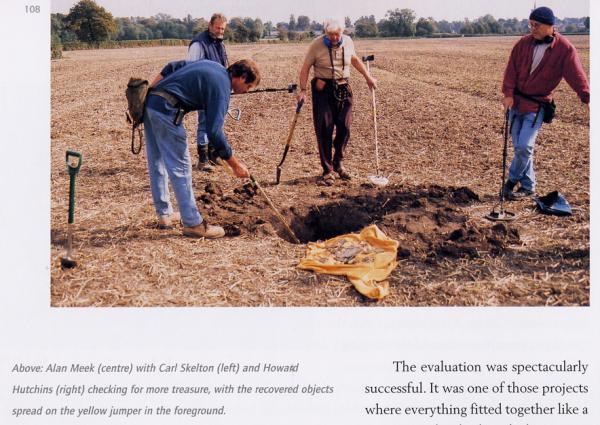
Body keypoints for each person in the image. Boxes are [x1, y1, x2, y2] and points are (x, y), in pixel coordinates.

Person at [144, 59, 260, 238]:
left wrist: (150, 93)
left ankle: (164, 214)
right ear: (242, 77)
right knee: (181, 167)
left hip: (151, 104)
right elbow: (214, 132)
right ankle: (193, 224)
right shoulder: (222, 87)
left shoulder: (213, 67)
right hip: (168, 111)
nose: (246, 91)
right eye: (249, 86)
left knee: (157, 162)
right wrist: (235, 165)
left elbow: (171, 67)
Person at [501, 6, 589, 200]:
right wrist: (507, 93)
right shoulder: (523, 43)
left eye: (537, 25)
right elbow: (511, 70)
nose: (532, 28)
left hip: (537, 106)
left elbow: (577, 75)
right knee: (520, 149)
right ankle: (529, 186)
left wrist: (587, 97)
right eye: (530, 24)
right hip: (516, 103)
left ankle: (510, 182)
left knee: (524, 147)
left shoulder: (565, 49)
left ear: (551, 26)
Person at [297, 19, 377, 185]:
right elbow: (305, 68)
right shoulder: (316, 45)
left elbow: (354, 59)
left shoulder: (348, 42)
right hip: (323, 90)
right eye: (330, 34)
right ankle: (327, 170)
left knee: (345, 127)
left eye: (336, 34)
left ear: (342, 33)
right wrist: (303, 90)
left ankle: (338, 162)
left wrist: (368, 77)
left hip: (343, 87)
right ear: (325, 33)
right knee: (325, 129)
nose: (333, 37)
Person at [187, 13, 229, 172]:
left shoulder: (219, 43)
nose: (220, 31)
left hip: (217, 91)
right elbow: (190, 70)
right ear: (210, 26)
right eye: (217, 27)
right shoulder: (198, 44)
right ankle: (203, 160)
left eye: (223, 29)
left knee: (217, 122)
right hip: (204, 92)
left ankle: (213, 155)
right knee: (204, 124)